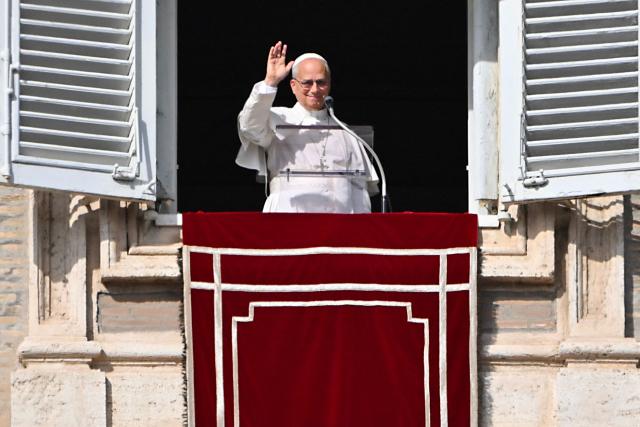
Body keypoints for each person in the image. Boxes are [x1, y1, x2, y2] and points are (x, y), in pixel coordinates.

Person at [236, 41, 379, 213]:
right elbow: (249, 127)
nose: (315, 89)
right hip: (289, 222)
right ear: (293, 86)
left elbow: (360, 190)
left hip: (339, 229)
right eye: (307, 83)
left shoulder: (345, 132)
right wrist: (270, 83)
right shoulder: (278, 118)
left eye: (321, 82)